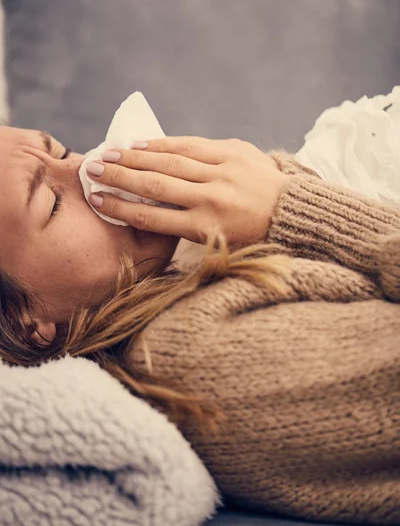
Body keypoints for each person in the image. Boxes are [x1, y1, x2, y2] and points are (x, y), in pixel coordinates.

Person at [0, 125, 399, 524]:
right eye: (51, 202)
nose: (89, 166)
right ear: (22, 324)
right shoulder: (195, 356)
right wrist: (292, 210)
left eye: (65, 151)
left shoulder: (190, 267)